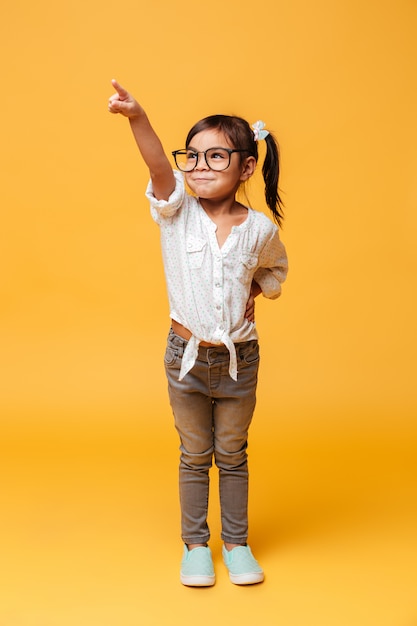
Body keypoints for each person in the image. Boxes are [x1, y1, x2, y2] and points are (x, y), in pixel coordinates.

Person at [108, 79, 288, 587]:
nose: (199, 167)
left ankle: (236, 543)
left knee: (232, 453)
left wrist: (257, 287)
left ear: (246, 167)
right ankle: (194, 545)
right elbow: (157, 169)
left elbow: (276, 272)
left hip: (239, 360)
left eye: (215, 158)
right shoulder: (177, 212)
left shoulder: (260, 229)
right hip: (184, 356)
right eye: (194, 157)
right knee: (194, 453)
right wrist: (137, 117)